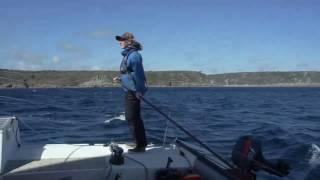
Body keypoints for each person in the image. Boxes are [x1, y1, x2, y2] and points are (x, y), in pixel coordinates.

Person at [113, 32, 148, 152]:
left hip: (133, 91)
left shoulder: (134, 56)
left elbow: (139, 75)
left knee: (132, 117)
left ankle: (140, 145)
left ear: (129, 41)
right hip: (130, 89)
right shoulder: (128, 55)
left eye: (122, 40)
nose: (119, 42)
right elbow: (129, 73)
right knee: (132, 117)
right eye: (119, 40)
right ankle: (139, 143)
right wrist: (120, 78)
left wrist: (139, 91)